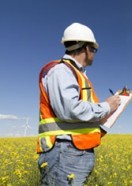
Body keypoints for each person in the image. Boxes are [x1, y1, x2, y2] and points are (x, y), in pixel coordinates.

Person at [37, 22, 121, 185]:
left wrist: (102, 120)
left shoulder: (75, 74)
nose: (94, 54)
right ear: (86, 48)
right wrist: (107, 106)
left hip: (74, 150)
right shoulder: (61, 71)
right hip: (65, 151)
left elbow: (78, 115)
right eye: (94, 50)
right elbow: (70, 110)